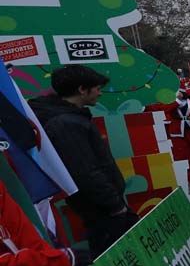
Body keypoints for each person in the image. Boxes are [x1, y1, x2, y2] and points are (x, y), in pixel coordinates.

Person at [29, 65, 137, 254]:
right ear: (81, 89)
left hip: (103, 207)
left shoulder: (71, 118)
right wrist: (115, 205)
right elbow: (85, 171)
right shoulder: (64, 123)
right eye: (97, 88)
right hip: (102, 210)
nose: (100, 93)